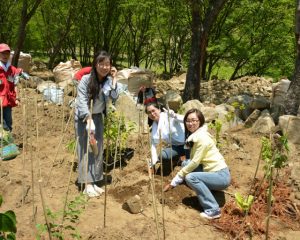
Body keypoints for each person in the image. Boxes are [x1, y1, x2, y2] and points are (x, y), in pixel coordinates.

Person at [164, 108, 231, 220]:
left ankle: (213, 210)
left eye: (194, 120)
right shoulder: (196, 135)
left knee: (191, 177)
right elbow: (192, 161)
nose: (191, 123)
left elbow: (195, 162)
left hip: (221, 176)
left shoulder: (202, 138)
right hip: (211, 171)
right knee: (186, 163)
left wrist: (176, 180)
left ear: (200, 121)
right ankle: (205, 188)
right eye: (188, 121)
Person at [75, 50, 119, 197]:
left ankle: (94, 181)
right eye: (102, 63)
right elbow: (81, 101)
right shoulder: (86, 80)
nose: (105, 67)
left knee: (96, 149)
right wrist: (88, 119)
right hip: (84, 118)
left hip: (98, 117)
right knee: (85, 149)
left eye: (108, 64)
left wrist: (114, 80)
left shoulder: (107, 81)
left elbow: (114, 96)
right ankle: (86, 183)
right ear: (95, 64)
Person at [145, 102, 188, 170]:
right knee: (163, 155)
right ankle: (179, 158)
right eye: (149, 112)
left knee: (187, 163)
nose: (152, 114)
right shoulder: (154, 126)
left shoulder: (168, 116)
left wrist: (175, 116)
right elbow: (153, 143)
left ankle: (186, 157)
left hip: (188, 145)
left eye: (153, 110)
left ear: (159, 109)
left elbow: (186, 120)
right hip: (176, 147)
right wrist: (153, 161)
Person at [0, 43, 23, 131]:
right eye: (2, 53)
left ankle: (7, 141)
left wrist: (17, 98)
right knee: (2, 124)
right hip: (0, 100)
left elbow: (15, 84)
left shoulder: (12, 69)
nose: (5, 56)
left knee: (8, 122)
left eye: (7, 53)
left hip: (8, 100)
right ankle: (3, 141)